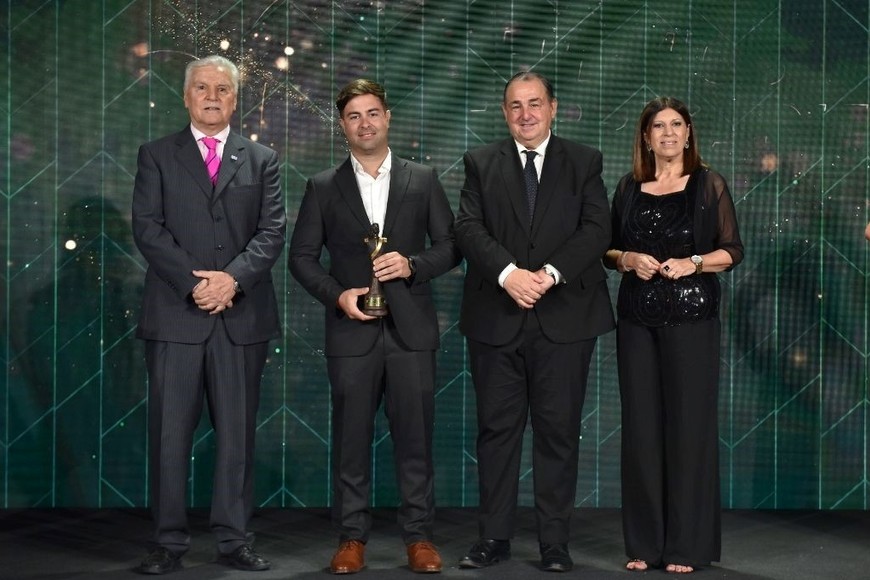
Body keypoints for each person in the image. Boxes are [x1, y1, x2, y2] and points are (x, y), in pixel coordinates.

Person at [288, 79, 460, 575]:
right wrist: (337, 295)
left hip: (412, 333)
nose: (365, 123)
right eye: (354, 116)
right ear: (343, 126)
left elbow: (451, 245)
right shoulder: (322, 186)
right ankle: (351, 538)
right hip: (351, 331)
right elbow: (302, 258)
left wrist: (412, 266)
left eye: (373, 113)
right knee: (351, 440)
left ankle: (419, 538)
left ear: (388, 118)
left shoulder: (422, 179)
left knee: (415, 439)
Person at [454, 71, 615, 573]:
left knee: (558, 433)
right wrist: (507, 275)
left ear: (553, 107)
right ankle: (493, 539)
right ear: (505, 113)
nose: (526, 113)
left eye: (535, 103)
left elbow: (597, 229)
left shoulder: (584, 161)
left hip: (565, 318)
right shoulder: (481, 163)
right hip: (496, 316)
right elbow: (467, 228)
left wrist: (546, 275)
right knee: (496, 433)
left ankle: (554, 544)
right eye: (515, 105)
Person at [131, 55, 285, 575]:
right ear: (187, 96)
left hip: (241, 321)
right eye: (202, 87)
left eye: (223, 88)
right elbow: (148, 229)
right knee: (170, 437)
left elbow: (271, 233)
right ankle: (167, 543)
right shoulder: (156, 155)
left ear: (235, 99)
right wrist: (198, 285)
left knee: (238, 438)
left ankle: (234, 541)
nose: (212, 95)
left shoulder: (262, 159)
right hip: (177, 316)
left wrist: (232, 281)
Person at [603, 97, 744, 574]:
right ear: (646, 137)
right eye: (658, 126)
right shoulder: (628, 187)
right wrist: (627, 259)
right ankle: (646, 543)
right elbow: (607, 247)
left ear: (689, 133)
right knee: (642, 430)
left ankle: (685, 546)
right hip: (636, 322)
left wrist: (694, 263)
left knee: (688, 430)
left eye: (676, 125)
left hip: (692, 320)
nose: (667, 133)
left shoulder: (709, 184)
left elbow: (732, 250)